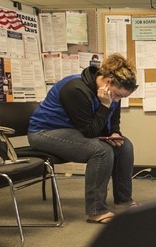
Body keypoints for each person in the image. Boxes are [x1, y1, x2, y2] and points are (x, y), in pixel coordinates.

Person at [28, 53, 139, 224]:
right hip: (44, 133)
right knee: (101, 150)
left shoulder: (111, 94)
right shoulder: (75, 89)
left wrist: (114, 133)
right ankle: (96, 210)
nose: (117, 100)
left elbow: (113, 117)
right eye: (117, 95)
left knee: (124, 146)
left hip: (74, 131)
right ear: (108, 82)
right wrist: (105, 105)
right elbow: (90, 132)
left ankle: (123, 201)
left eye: (122, 98)